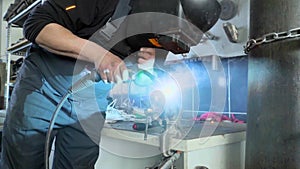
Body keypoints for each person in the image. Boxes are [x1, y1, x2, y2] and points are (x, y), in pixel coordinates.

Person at [0, 0, 156, 168]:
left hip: (91, 105)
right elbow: (38, 25)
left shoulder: (155, 22)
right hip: (45, 89)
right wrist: (98, 55)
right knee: (23, 162)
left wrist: (145, 64)